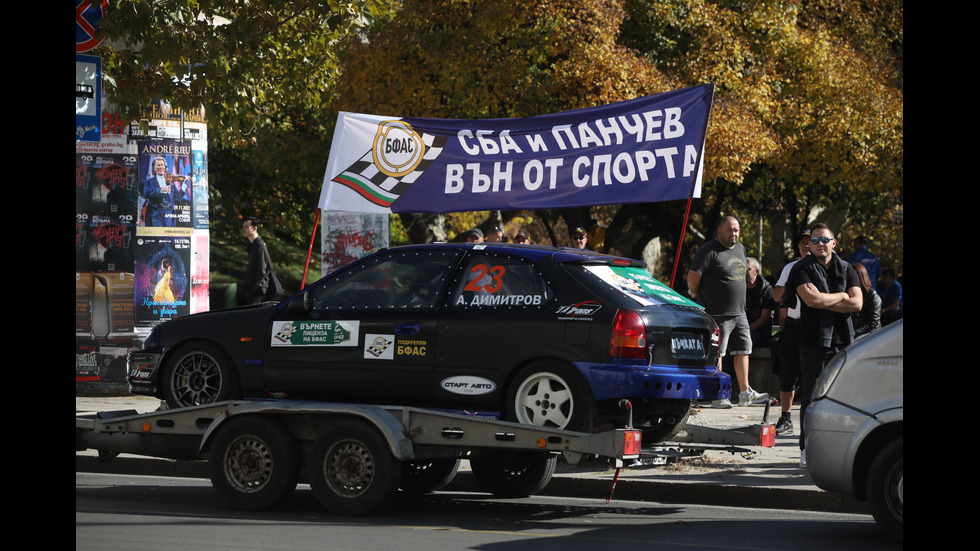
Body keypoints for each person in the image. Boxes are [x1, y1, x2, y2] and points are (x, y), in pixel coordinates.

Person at [784, 223, 862, 466]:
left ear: (834, 243)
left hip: (844, 341)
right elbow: (812, 300)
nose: (818, 244)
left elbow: (858, 303)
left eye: (823, 240)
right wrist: (841, 296)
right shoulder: (801, 268)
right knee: (812, 397)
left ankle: (840, 450)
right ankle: (807, 448)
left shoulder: (847, 268)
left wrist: (825, 300)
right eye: (814, 241)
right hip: (812, 341)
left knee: (844, 397)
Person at [688, 216, 768, 408]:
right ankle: (719, 395)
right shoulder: (708, 250)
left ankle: (745, 393)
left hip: (739, 313)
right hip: (717, 314)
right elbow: (693, 277)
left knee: (743, 350)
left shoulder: (740, 249)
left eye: (736, 230)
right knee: (718, 354)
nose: (734, 234)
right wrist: (698, 293)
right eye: (730, 230)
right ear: (720, 231)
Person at [771, 229, 810, 436]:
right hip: (794, 325)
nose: (806, 245)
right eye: (802, 242)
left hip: (816, 326)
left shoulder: (827, 266)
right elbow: (777, 296)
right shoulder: (791, 267)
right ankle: (786, 419)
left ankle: (812, 420)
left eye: (809, 241)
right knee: (787, 373)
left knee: (813, 375)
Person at [744, 257, 776, 346]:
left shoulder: (766, 290)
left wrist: (745, 330)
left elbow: (764, 319)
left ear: (756, 272)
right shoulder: (738, 288)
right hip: (741, 329)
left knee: (743, 341)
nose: (744, 271)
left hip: (759, 332)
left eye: (748, 269)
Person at [243, 216, 272, 305]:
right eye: (243, 227)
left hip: (258, 290)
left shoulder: (260, 245)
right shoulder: (252, 245)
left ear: (254, 228)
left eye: (246, 227)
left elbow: (262, 269)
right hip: (252, 287)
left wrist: (255, 287)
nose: (244, 229)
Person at [851, 263, 881, 338]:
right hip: (855, 333)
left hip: (870, 333)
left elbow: (873, 323)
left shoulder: (872, 295)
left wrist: (853, 333)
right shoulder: (848, 293)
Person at [142, 156, 174, 227]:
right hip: (156, 214)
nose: (161, 167)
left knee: (167, 236)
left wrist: (184, 185)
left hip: (168, 214)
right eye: (158, 165)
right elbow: (146, 193)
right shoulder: (149, 182)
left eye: (162, 165)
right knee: (158, 235)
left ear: (165, 167)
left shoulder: (170, 181)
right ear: (154, 168)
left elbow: (178, 197)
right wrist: (161, 190)